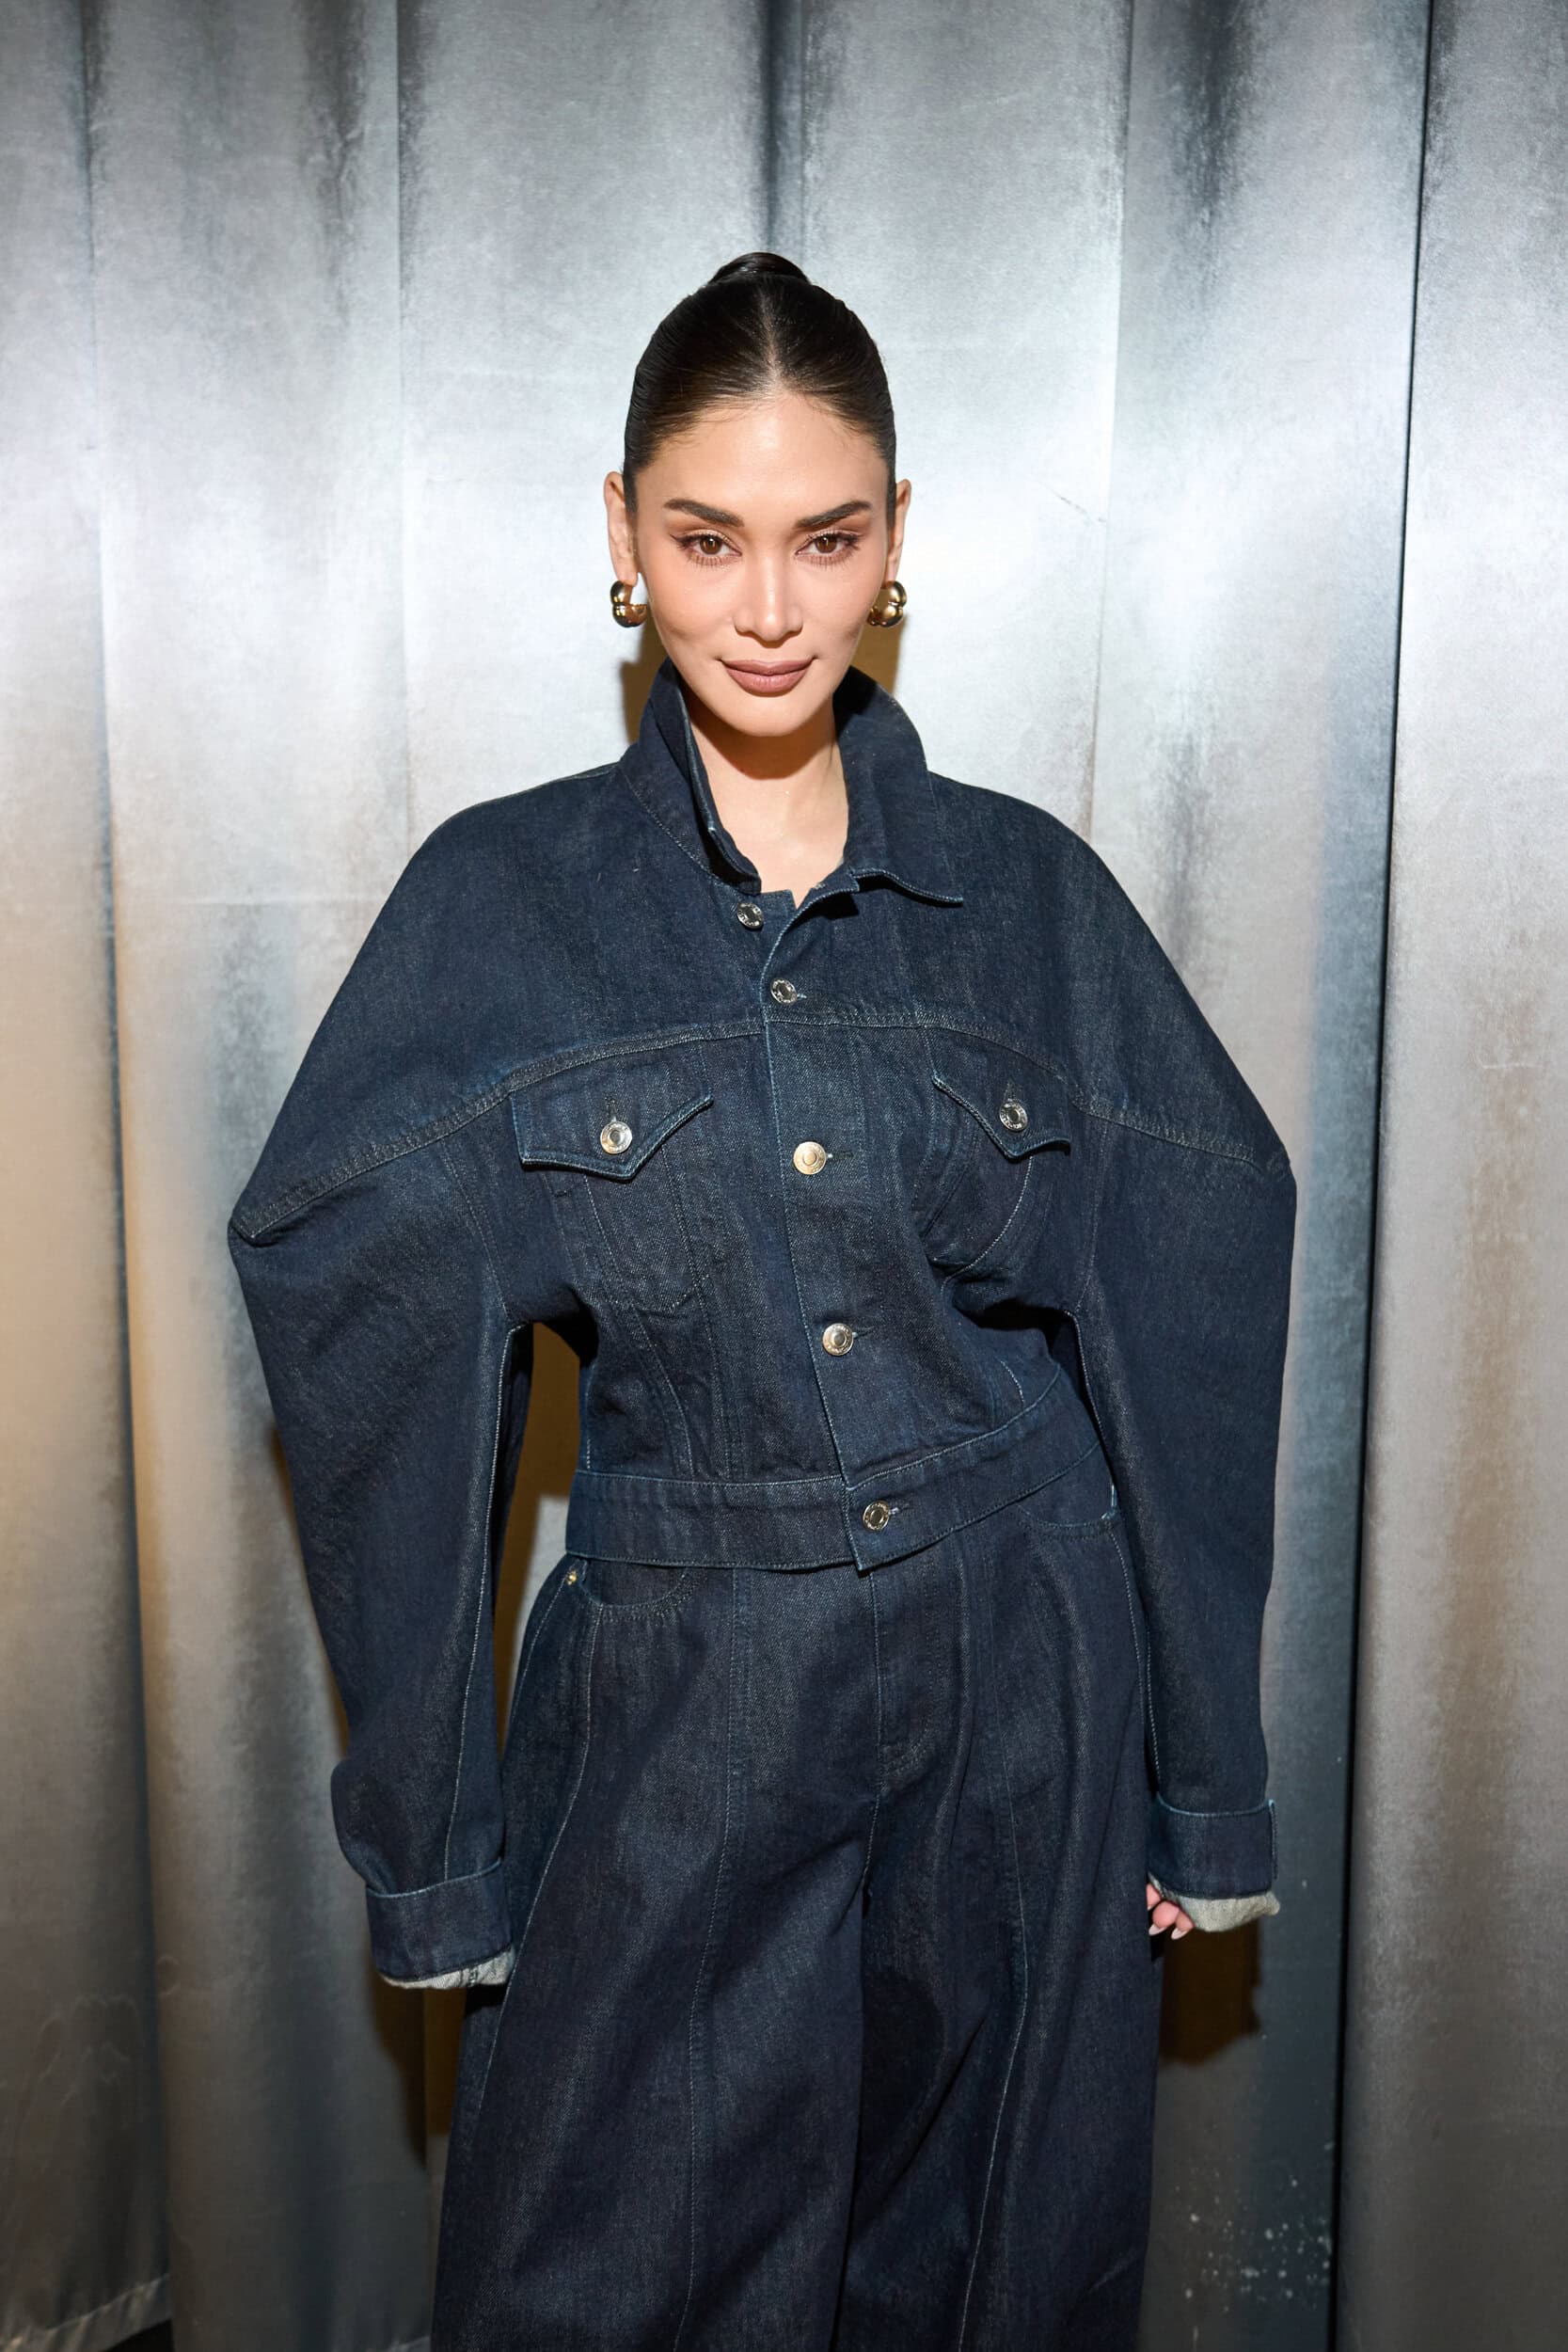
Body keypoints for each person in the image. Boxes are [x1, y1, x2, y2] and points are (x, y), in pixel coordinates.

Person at [229, 252, 1295, 2350]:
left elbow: (1193, 1258)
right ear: (620, 532)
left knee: (989, 2270)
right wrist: (434, 1839)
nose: (773, 604)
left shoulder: (1029, 896)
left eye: (831, 536)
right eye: (709, 537)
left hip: (1024, 1678)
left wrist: (1204, 1772)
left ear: (901, 539)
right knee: (608, 2270)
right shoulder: (501, 906)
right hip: (685, 1701)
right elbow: (354, 1296)